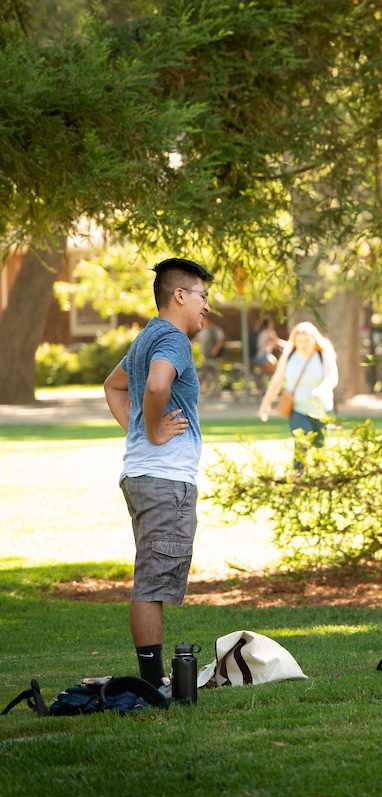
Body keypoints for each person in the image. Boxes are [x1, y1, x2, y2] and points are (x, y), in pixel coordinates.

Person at [102, 257, 214, 692]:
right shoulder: (173, 339)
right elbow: (154, 386)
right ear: (180, 295)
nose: (207, 306)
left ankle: (155, 678)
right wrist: (150, 428)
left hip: (145, 475)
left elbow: (113, 386)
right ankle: (154, 683)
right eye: (203, 296)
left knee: (152, 576)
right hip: (164, 480)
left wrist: (138, 430)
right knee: (151, 582)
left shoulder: (147, 336)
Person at [258, 322, 339, 471]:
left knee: (319, 447)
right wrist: (266, 404)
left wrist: (322, 389)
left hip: (322, 409)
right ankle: (298, 477)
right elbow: (277, 380)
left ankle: (319, 478)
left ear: (315, 340)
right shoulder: (289, 356)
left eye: (307, 341)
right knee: (301, 443)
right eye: (299, 341)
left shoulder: (323, 354)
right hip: (298, 409)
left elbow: (332, 377)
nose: (303, 344)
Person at [192, 316, 225, 393]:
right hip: (205, 354)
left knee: (213, 371)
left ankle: (216, 389)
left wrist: (215, 350)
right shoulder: (203, 330)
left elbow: (220, 340)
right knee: (205, 371)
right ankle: (206, 389)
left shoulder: (215, 329)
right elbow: (197, 339)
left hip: (212, 355)